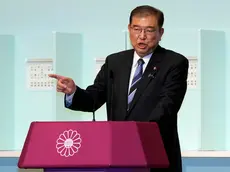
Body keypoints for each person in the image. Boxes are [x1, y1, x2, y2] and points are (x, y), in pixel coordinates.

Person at [49, 5, 188, 172]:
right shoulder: (115, 62)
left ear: (160, 33)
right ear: (129, 29)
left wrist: (133, 134)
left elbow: (167, 107)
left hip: (155, 154)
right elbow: (94, 98)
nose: (141, 36)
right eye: (136, 29)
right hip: (117, 156)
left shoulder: (174, 63)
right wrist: (73, 92)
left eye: (149, 30)